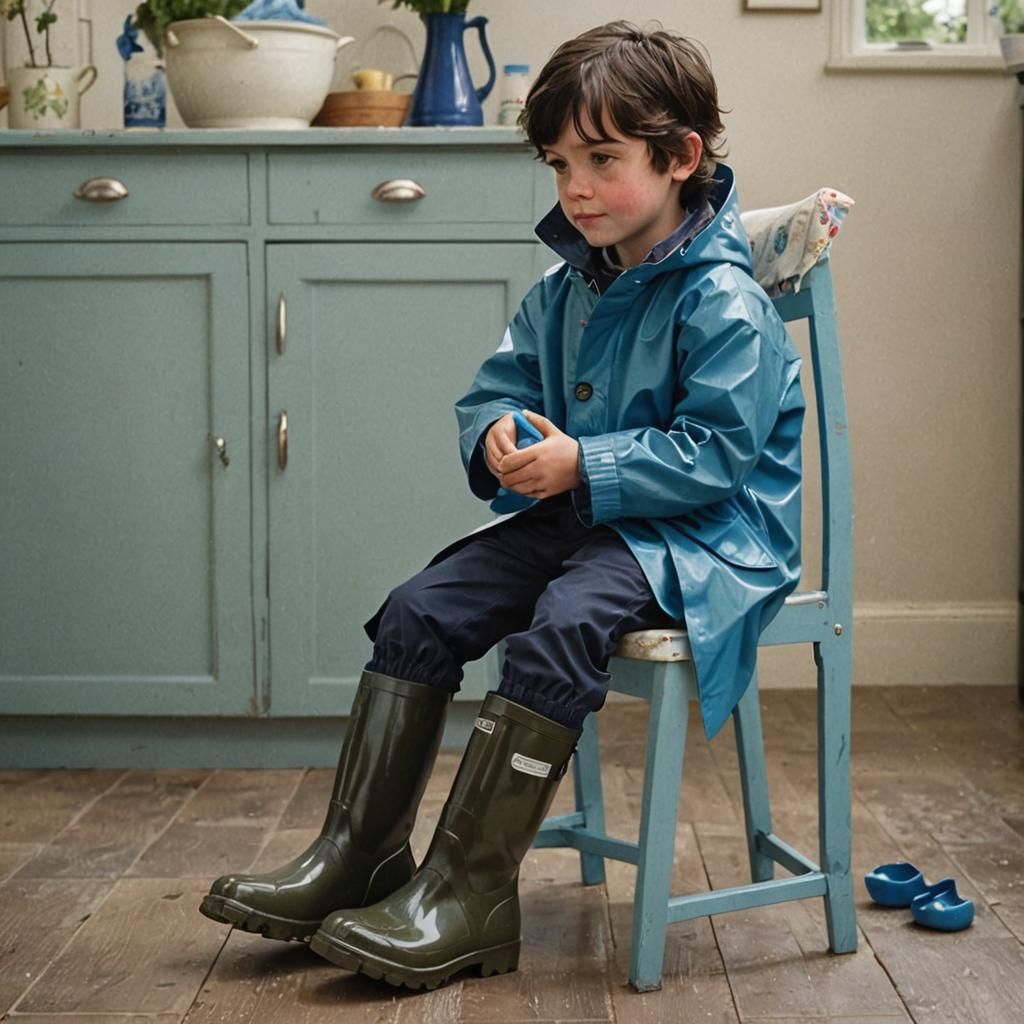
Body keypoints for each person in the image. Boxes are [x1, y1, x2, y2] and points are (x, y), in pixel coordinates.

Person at [199, 19, 804, 990]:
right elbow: (497, 387)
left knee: (561, 623)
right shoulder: (567, 289)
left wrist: (584, 463)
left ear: (681, 157)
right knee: (418, 607)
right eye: (560, 161)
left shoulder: (724, 301)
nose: (575, 187)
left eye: (602, 160)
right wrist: (495, 434)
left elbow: (720, 453)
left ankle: (468, 893)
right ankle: (358, 855)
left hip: (699, 536)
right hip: (588, 514)